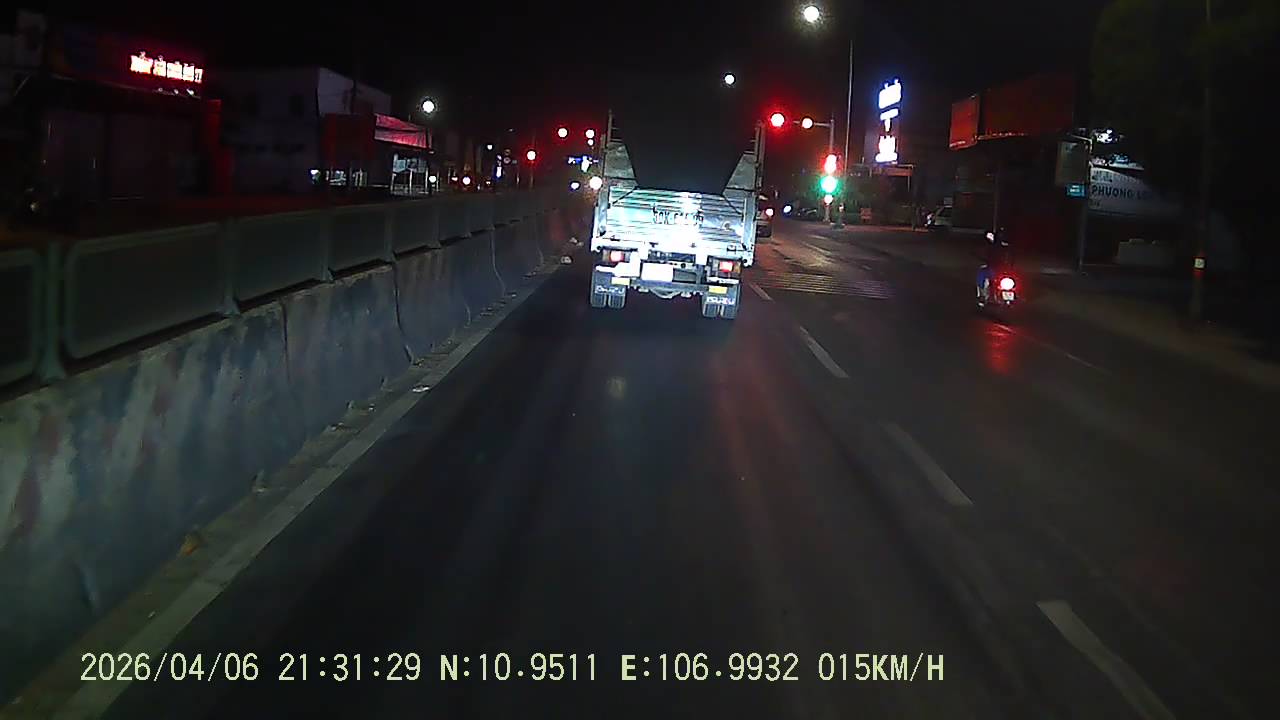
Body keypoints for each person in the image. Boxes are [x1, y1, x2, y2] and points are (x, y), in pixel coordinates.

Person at [976, 227, 1015, 304]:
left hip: (997, 270)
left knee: (982, 274)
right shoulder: (1007, 247)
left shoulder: (995, 247)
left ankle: (982, 295)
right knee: (982, 274)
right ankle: (983, 295)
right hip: (1003, 271)